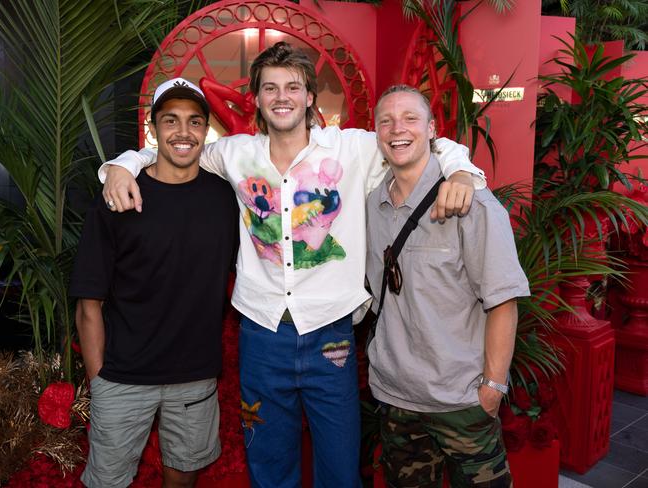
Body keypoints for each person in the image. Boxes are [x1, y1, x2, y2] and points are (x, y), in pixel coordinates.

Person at [99, 42, 486, 488]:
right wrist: (123, 165)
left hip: (332, 334)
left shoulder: (352, 150)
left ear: (308, 98)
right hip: (262, 334)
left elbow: (425, 144)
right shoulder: (234, 153)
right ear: (258, 99)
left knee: (341, 469)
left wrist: (460, 173)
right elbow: (173, 151)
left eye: (293, 87)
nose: (282, 96)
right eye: (270, 88)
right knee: (269, 463)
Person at [70, 78, 238, 488]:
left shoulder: (227, 198)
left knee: (183, 475)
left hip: (195, 376)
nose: (183, 132)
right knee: (107, 482)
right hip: (123, 376)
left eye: (195, 121)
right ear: (153, 129)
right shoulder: (119, 196)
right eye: (171, 120)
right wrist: (100, 382)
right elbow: (87, 303)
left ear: (206, 131)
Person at [366, 84, 530, 487]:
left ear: (432, 130)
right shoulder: (372, 205)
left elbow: (503, 301)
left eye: (409, 119)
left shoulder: (472, 203)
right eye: (385, 120)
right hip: (395, 399)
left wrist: (492, 387)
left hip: (461, 401)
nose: (396, 129)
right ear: (376, 133)